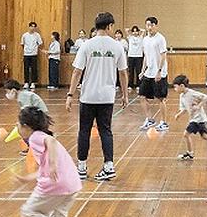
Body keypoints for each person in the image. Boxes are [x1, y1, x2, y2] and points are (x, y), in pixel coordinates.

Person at [16, 107, 89, 217]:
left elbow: (52, 141)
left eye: (18, 125)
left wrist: (54, 165)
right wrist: (28, 177)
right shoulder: (41, 136)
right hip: (72, 184)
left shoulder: (35, 137)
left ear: (26, 126)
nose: (18, 128)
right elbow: (45, 165)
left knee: (28, 212)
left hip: (55, 186)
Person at [66, 12, 128, 181]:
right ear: (109, 26)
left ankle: (81, 167)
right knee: (106, 131)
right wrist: (125, 94)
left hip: (88, 96)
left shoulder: (86, 45)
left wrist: (70, 94)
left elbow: (77, 71)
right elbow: (123, 73)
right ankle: (109, 166)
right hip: (107, 97)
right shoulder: (117, 47)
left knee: (84, 131)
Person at [173, 74, 207, 160]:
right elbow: (184, 108)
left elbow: (205, 97)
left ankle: (190, 153)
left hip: (198, 119)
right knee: (205, 136)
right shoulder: (182, 96)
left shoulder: (192, 93)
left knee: (186, 134)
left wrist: (199, 106)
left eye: (175, 87)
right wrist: (179, 115)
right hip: (196, 119)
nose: (175, 89)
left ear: (182, 86)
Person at [138, 16, 169, 131]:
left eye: (151, 25)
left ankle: (164, 122)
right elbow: (146, 56)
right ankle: (149, 119)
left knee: (161, 98)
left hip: (159, 73)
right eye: (147, 25)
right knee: (142, 96)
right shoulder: (145, 39)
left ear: (156, 26)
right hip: (148, 72)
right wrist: (142, 70)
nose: (149, 27)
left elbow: (163, 55)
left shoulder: (160, 39)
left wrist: (159, 71)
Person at [4, 78, 49, 155]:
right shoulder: (22, 95)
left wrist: (21, 122)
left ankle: (32, 148)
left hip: (39, 116)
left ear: (13, 90)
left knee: (23, 130)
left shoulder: (23, 96)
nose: (7, 94)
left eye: (7, 92)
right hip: (38, 115)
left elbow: (27, 112)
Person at [21, 21, 43, 90]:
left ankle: (33, 82)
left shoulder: (37, 35)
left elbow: (40, 43)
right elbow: (22, 44)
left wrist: (35, 48)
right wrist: (26, 49)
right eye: (31, 26)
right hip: (26, 54)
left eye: (34, 27)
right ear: (29, 27)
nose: (33, 28)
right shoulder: (24, 35)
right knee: (26, 68)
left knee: (34, 68)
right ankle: (26, 82)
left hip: (34, 54)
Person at [126, 25, 145, 91]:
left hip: (139, 56)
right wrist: (131, 29)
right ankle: (130, 85)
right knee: (131, 71)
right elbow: (126, 30)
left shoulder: (141, 37)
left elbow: (144, 31)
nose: (135, 33)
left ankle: (138, 85)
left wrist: (139, 29)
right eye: (133, 31)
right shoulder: (130, 37)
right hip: (131, 56)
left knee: (138, 71)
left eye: (136, 31)